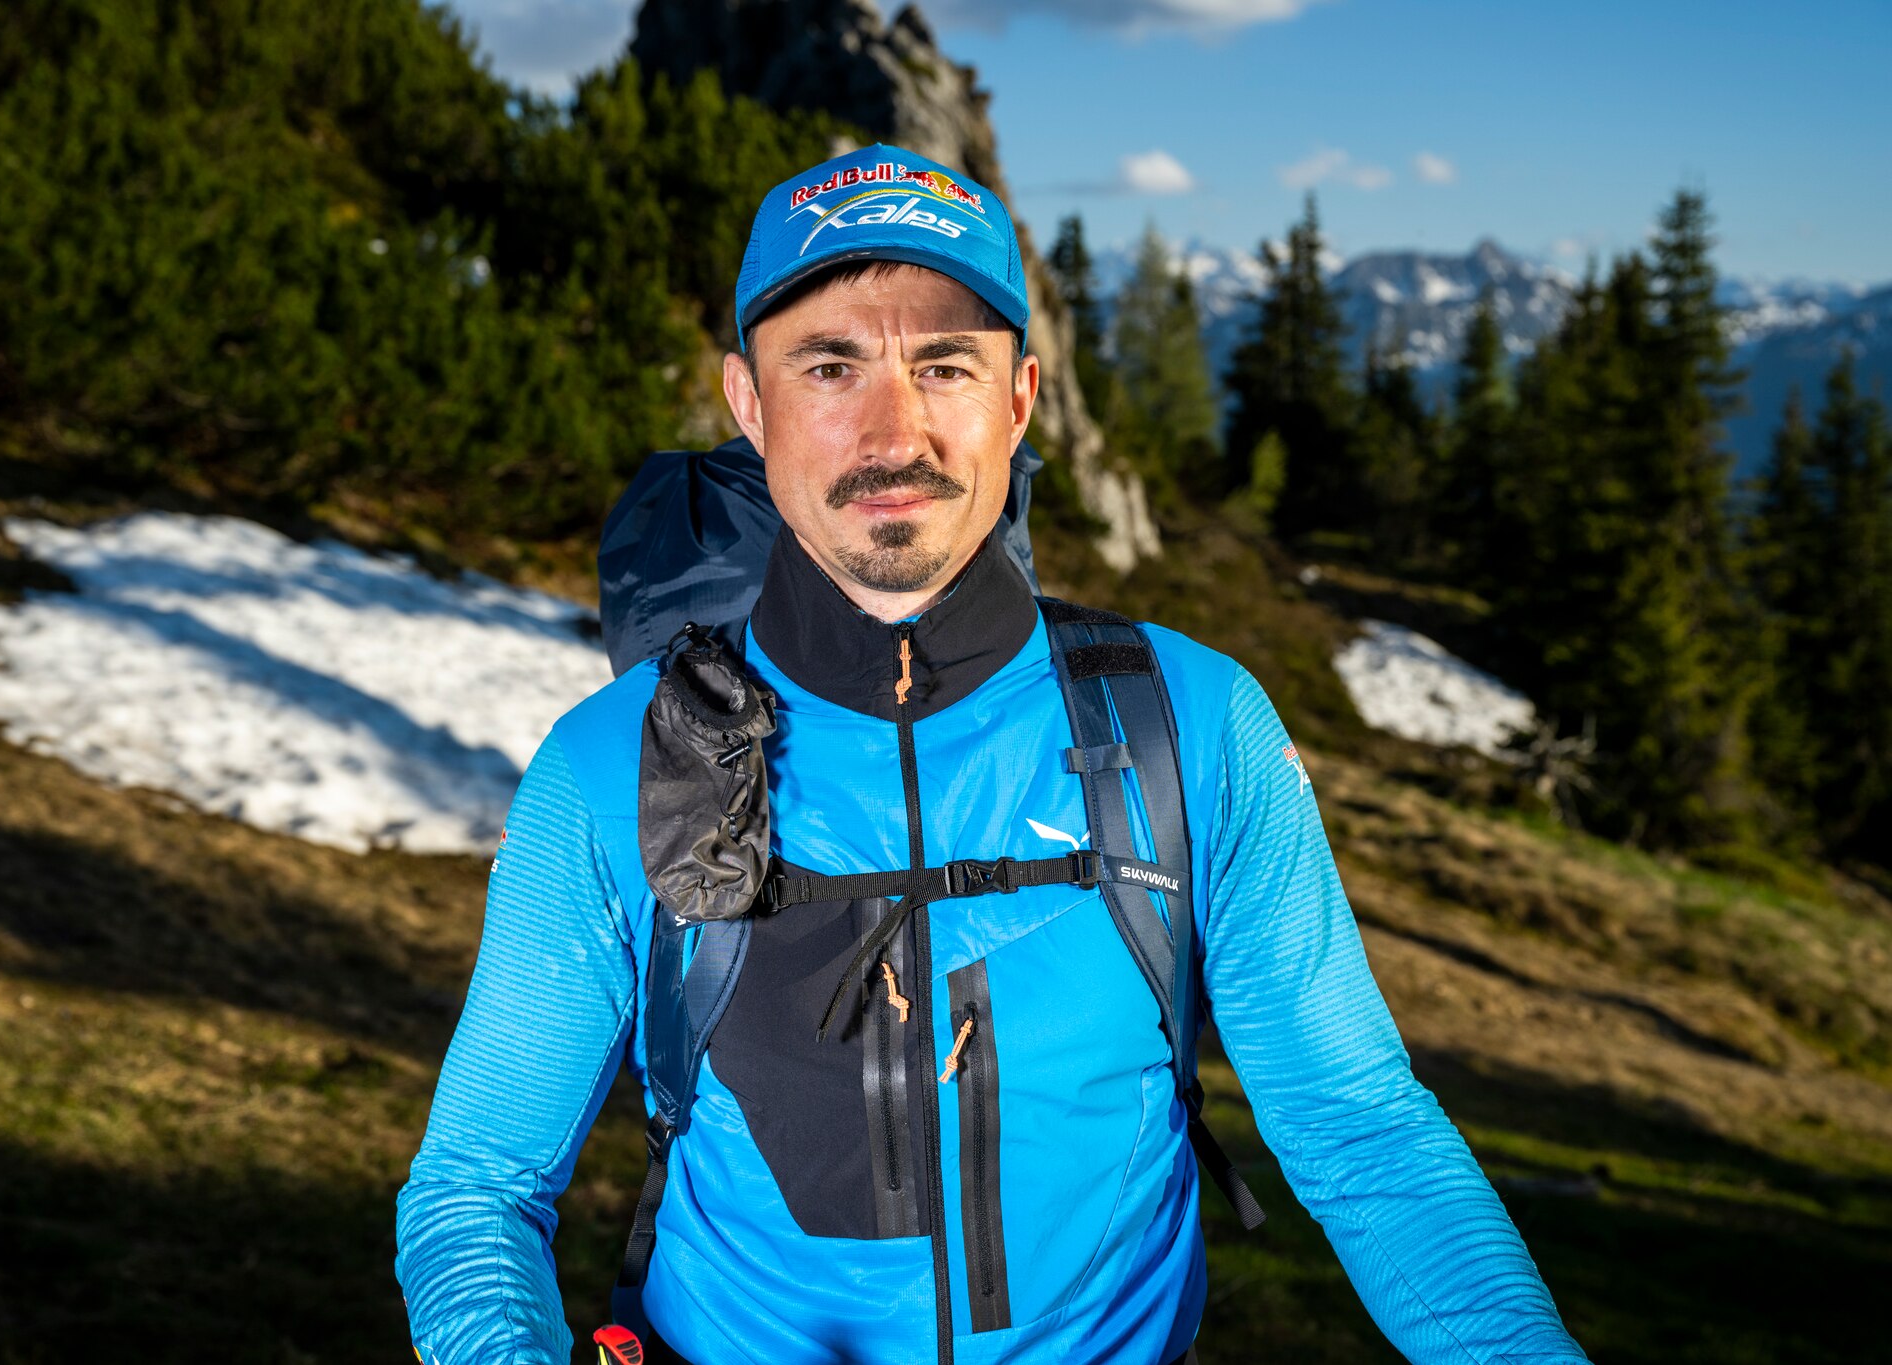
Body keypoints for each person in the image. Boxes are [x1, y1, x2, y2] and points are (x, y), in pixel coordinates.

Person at [395, 143, 1589, 1365]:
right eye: (829, 365)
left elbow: (1362, 1133)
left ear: (1017, 401)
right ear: (749, 406)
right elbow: (478, 1182)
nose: (893, 430)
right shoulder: (609, 765)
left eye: (943, 365)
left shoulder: (1192, 722)